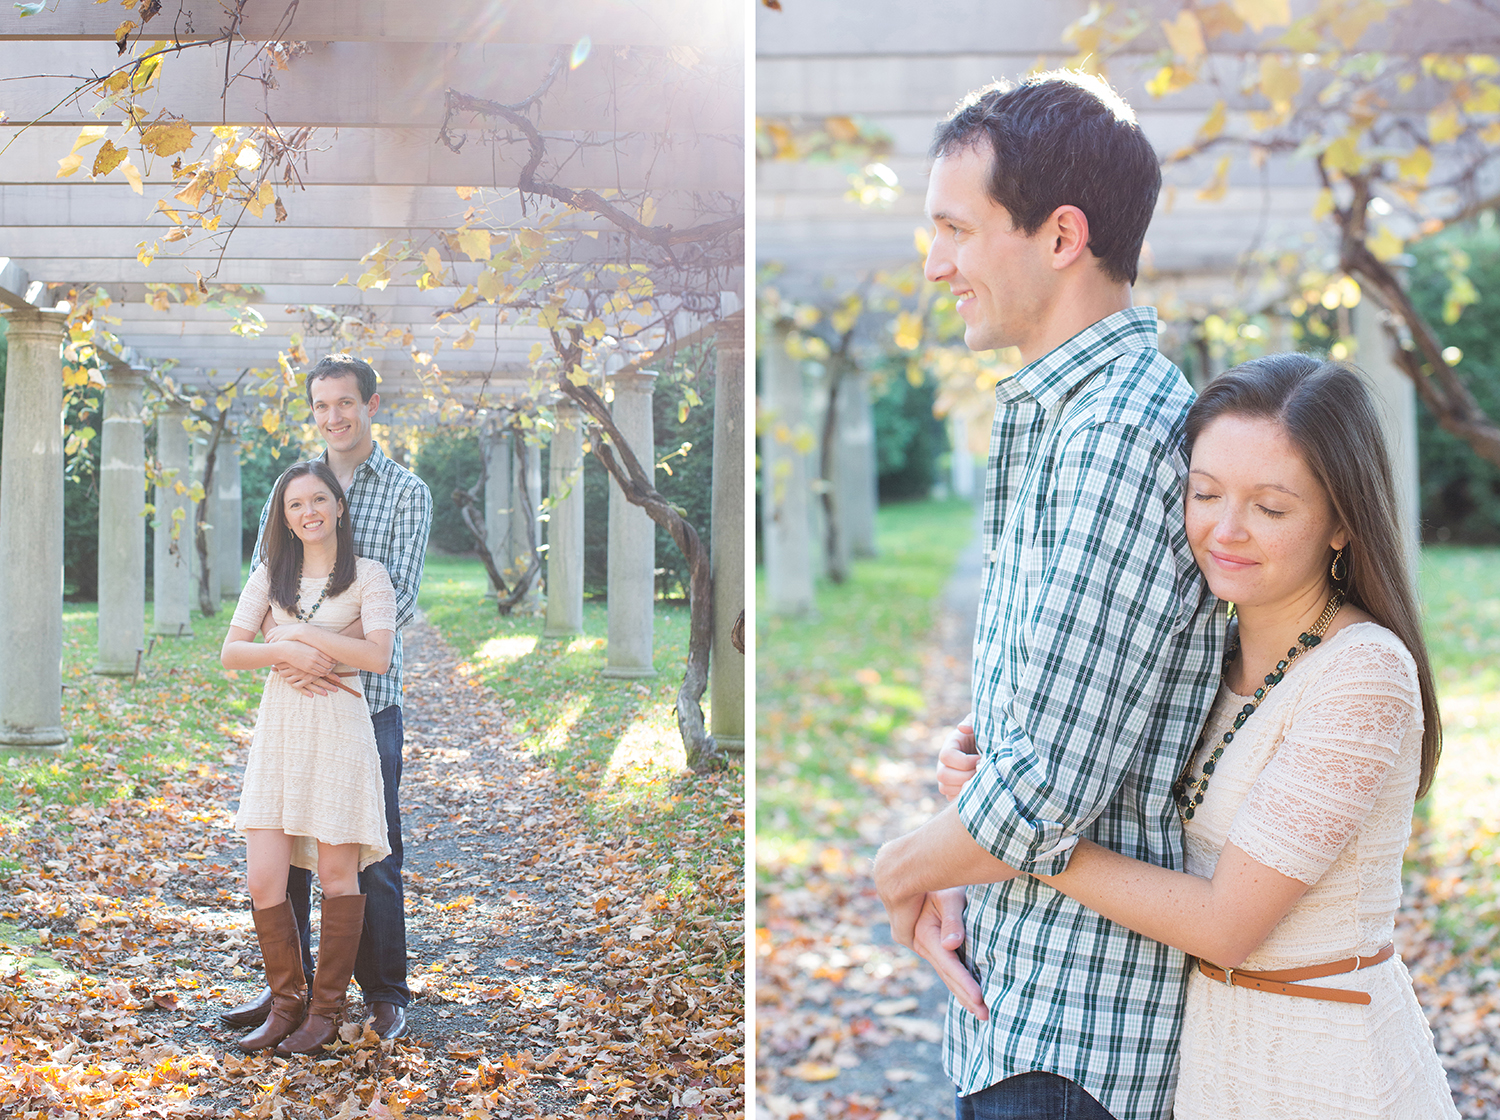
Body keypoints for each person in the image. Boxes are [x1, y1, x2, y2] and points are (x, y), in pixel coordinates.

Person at [921, 354, 1459, 1118]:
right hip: (1210, 1064)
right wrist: (989, 767)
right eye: (1203, 494)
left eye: (1270, 508)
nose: (1225, 530)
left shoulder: (1362, 673)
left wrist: (1006, 830)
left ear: (1342, 521)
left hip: (1329, 1068)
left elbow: (1225, 925)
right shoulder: (1206, 655)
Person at [871, 71, 1225, 1120]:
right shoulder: (1065, 418)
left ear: (1061, 236)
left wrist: (902, 867)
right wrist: (965, 805)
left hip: (1079, 1030)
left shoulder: (1118, 433)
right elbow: (1036, 734)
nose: (934, 265)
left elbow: (1044, 792)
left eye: (955, 229)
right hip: (1026, 997)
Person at [219, 354, 432, 1041]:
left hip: (368, 697)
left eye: (346, 403)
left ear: (371, 405)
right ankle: (299, 995)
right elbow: (268, 577)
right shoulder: (294, 486)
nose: (334, 416)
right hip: (293, 690)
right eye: (321, 406)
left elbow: (395, 602)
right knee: (290, 851)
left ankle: (384, 993)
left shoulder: (405, 491)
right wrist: (292, 657)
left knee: (374, 851)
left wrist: (310, 642)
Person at [220, 460, 397, 1053]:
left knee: (338, 874)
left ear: (338, 507)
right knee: (264, 877)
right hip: (280, 733)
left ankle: (325, 1011)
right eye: (296, 505)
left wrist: (294, 637)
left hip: (341, 731)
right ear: (286, 517)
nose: (308, 512)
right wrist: (282, 654)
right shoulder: (272, 573)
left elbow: (376, 657)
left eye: (319, 499)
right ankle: (286, 1004)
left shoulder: (369, 574)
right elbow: (231, 652)